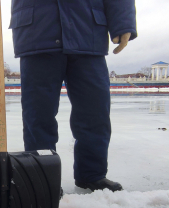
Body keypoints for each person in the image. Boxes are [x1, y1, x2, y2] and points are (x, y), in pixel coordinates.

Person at [9, 0, 137, 192]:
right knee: (38, 115)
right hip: (37, 31)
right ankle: (43, 178)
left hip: (87, 30)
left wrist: (123, 22)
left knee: (95, 112)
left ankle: (92, 175)